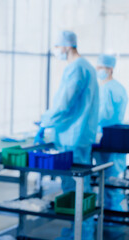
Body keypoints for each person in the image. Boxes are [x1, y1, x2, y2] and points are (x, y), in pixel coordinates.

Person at [35, 31, 99, 239]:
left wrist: (46, 120)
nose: (57, 51)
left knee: (76, 186)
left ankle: (82, 233)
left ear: (67, 46)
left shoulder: (76, 69)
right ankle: (79, 231)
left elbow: (64, 104)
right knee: (78, 186)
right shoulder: (86, 67)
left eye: (57, 46)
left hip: (73, 135)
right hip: (79, 134)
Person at [94, 54, 128, 213]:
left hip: (105, 136)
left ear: (110, 69)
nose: (98, 70)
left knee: (107, 177)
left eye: (101, 67)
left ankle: (110, 212)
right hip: (117, 136)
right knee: (114, 175)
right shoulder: (119, 87)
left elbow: (104, 115)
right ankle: (114, 210)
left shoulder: (106, 89)